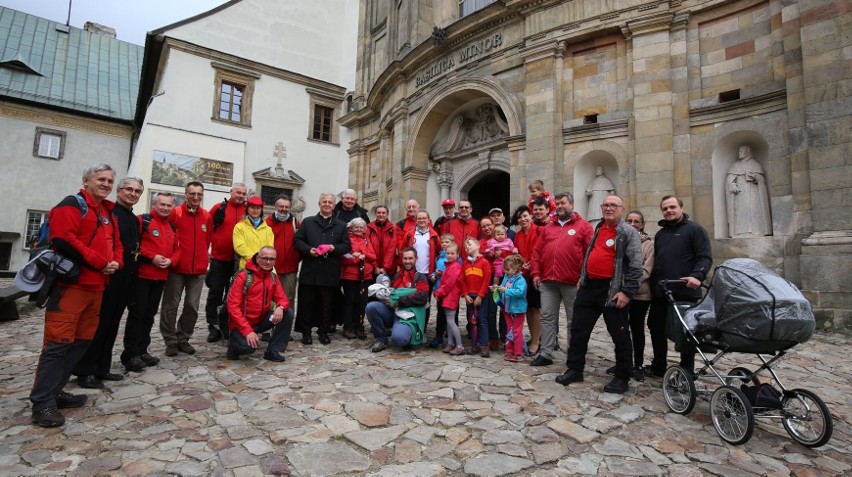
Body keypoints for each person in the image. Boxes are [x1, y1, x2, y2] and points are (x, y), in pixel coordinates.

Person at [30, 164, 121, 427]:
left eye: (109, 180)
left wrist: (114, 261)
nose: (106, 184)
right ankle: (43, 403)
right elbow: (63, 240)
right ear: (86, 181)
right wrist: (100, 262)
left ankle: (55, 390)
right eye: (101, 179)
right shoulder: (72, 205)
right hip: (72, 286)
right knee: (58, 344)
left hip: (97, 287)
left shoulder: (106, 211)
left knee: (81, 342)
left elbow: (114, 243)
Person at [555, 195, 642, 394]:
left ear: (621, 208)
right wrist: (583, 276)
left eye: (613, 205)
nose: (609, 208)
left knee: (619, 334)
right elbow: (590, 253)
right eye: (606, 205)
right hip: (589, 287)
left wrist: (627, 292)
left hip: (612, 290)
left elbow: (636, 265)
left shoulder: (628, 232)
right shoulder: (599, 227)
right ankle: (575, 369)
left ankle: (622, 377)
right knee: (578, 330)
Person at [73, 176, 141, 390]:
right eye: (128, 189)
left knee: (112, 326)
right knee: (97, 326)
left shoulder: (132, 217)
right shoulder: (110, 213)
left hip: (125, 279)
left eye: (137, 191)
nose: (133, 194)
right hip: (108, 276)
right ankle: (86, 370)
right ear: (119, 191)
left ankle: (102, 367)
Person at [644, 195, 712, 378]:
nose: (669, 211)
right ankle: (659, 366)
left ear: (681, 207)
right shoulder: (661, 234)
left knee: (686, 331)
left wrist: (697, 276)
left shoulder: (695, 230)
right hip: (662, 292)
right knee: (655, 327)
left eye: (672, 207)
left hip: (685, 291)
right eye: (665, 208)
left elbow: (704, 257)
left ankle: (686, 369)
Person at [529, 192, 593, 367]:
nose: (559, 206)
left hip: (573, 282)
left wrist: (584, 276)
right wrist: (536, 272)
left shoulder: (584, 227)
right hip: (548, 281)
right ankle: (546, 353)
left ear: (571, 204)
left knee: (574, 320)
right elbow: (537, 252)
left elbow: (590, 254)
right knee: (547, 318)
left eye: (563, 203)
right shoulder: (549, 227)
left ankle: (574, 355)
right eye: (557, 203)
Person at [121, 192, 179, 373]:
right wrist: (152, 257)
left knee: (149, 315)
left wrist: (171, 261)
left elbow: (177, 250)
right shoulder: (142, 221)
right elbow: (135, 246)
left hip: (160, 278)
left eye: (169, 205)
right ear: (154, 204)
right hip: (142, 276)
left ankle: (142, 350)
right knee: (137, 315)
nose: (165, 208)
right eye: (162, 204)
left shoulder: (171, 226)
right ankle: (130, 355)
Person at [159, 182, 210, 357]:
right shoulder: (176, 213)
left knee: (192, 306)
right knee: (170, 305)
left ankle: (183, 337)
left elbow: (207, 239)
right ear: (186, 194)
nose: (196, 197)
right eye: (192, 194)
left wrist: (203, 258)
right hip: (177, 268)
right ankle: (170, 340)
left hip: (199, 269)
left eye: (199, 194)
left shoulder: (206, 216)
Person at [294, 192, 352, 345]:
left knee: (326, 305)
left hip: (329, 271)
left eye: (330, 202)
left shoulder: (340, 225)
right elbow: (298, 241)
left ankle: (323, 331)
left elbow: (346, 246)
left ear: (334, 205)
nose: (327, 204)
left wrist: (333, 247)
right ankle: (306, 332)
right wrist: (308, 250)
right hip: (310, 270)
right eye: (324, 201)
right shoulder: (308, 222)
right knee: (306, 303)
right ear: (319, 204)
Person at [225, 247, 293, 362]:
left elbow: (283, 298)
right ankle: (233, 347)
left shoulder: (272, 277)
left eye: (272, 259)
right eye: (265, 258)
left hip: (260, 321)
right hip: (240, 324)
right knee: (248, 348)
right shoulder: (244, 276)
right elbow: (233, 307)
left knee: (288, 313)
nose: (268, 262)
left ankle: (272, 350)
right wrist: (248, 331)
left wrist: (280, 307)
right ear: (257, 258)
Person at [609, 210, 654, 382]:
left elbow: (646, 270)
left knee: (637, 329)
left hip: (639, 294)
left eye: (636, 221)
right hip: (620, 293)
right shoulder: (619, 240)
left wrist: (627, 283)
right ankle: (623, 363)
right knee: (621, 329)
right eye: (629, 221)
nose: (633, 224)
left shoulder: (648, 245)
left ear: (642, 225)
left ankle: (639, 364)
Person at [204, 182, 247, 342]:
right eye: (238, 192)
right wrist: (206, 251)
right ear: (231, 192)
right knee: (215, 292)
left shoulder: (247, 210)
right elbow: (207, 229)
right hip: (219, 259)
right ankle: (213, 326)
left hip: (238, 262)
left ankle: (228, 323)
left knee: (233, 295)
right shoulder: (218, 208)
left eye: (243, 193)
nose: (241, 196)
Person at [366, 248, 430, 352]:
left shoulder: (420, 277)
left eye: (410, 258)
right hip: (392, 312)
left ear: (416, 259)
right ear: (402, 259)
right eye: (405, 258)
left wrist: (399, 302)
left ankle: (404, 332)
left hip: (407, 318)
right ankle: (381, 339)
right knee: (371, 307)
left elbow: (422, 297)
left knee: (399, 340)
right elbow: (390, 293)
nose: (407, 261)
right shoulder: (396, 276)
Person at [511, 205, 542, 356]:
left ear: (530, 216)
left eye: (525, 216)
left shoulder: (539, 231)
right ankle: (535, 337)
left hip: (536, 274)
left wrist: (533, 263)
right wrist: (521, 263)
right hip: (523, 275)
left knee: (536, 309)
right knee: (528, 307)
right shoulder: (518, 235)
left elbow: (542, 250)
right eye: (520, 217)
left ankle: (537, 341)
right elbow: (517, 254)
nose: (523, 219)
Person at [340, 218, 376, 339]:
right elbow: (345, 258)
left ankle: (359, 326)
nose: (359, 229)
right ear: (351, 228)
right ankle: (348, 327)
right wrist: (356, 258)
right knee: (350, 301)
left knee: (362, 302)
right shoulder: (347, 240)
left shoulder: (366, 240)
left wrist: (362, 254)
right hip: (350, 276)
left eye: (362, 227)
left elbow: (373, 256)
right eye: (357, 227)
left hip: (365, 276)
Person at [726, 145, 771, 237]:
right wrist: (732, 185)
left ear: (748, 152)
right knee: (741, 213)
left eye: (741, 151)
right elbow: (729, 181)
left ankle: (758, 231)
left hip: (754, 194)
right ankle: (741, 232)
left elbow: (762, 181)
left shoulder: (756, 165)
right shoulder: (735, 166)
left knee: (754, 211)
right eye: (739, 151)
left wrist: (756, 178)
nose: (739, 153)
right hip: (740, 194)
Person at [265, 194, 301, 300]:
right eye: (281, 206)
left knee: (288, 299)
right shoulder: (267, 223)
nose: (284, 209)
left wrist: (297, 259)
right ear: (276, 207)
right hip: (271, 268)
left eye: (287, 207)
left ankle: (287, 317)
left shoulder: (296, 223)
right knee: (269, 298)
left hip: (290, 270)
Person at [461, 237, 492, 357]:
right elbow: (462, 280)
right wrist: (465, 294)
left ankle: (484, 345)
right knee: (473, 321)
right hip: (470, 296)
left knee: (482, 320)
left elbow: (486, 280)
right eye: (465, 246)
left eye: (469, 244)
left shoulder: (484, 262)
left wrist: (480, 296)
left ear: (478, 246)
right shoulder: (465, 264)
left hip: (481, 296)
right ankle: (474, 345)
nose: (467, 247)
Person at [433, 242, 465, 355]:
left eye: (452, 253)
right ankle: (450, 343)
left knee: (451, 322)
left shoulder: (455, 267)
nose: (449, 255)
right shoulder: (449, 266)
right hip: (448, 296)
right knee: (448, 321)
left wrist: (439, 293)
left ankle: (459, 345)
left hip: (451, 296)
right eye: (448, 253)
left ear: (457, 255)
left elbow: (448, 284)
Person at [496, 254, 527, 362]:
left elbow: (520, 292)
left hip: (518, 310)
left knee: (517, 331)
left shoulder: (520, 280)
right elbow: (503, 288)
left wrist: (506, 291)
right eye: (504, 269)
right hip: (507, 309)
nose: (505, 271)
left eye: (508, 269)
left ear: (516, 269)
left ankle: (518, 353)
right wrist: (496, 289)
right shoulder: (507, 277)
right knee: (509, 330)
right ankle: (509, 351)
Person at [429, 234, 457, 348]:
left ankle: (453, 338)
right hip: (439, 288)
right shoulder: (439, 257)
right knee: (440, 314)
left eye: (447, 242)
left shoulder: (455, 257)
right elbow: (435, 270)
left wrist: (443, 273)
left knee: (452, 316)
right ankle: (439, 335)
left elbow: (455, 273)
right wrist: (433, 275)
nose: (444, 244)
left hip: (450, 291)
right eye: (443, 242)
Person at [478, 217, 500, 350]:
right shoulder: (481, 242)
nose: (487, 228)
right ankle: (483, 337)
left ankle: (494, 337)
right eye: (484, 226)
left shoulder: (500, 239)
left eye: (489, 225)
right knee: (483, 311)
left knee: (493, 310)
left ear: (493, 225)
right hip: (483, 278)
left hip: (496, 278)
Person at [233, 196, 274, 270]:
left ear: (261, 210)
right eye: (252, 207)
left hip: (264, 267)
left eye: (258, 208)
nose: (255, 210)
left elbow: (270, 249)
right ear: (247, 209)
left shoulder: (268, 230)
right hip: (246, 267)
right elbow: (239, 246)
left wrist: (262, 260)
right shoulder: (239, 227)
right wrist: (256, 259)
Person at [400, 210, 440, 277]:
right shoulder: (409, 235)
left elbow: (440, 252)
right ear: (416, 220)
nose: (421, 220)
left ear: (429, 220)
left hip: (428, 272)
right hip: (412, 272)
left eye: (424, 218)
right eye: (419, 218)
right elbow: (402, 251)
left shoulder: (434, 236)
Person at [367, 205, 398, 278]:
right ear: (376, 214)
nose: (381, 215)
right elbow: (368, 248)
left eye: (383, 213)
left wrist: (385, 267)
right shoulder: (369, 228)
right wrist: (375, 267)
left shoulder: (393, 228)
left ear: (387, 214)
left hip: (389, 269)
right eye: (379, 212)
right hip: (372, 268)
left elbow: (392, 249)